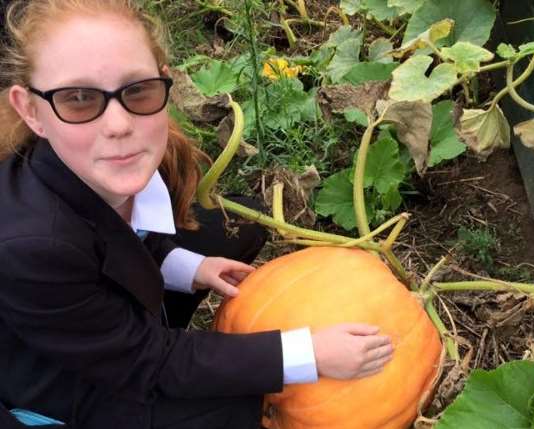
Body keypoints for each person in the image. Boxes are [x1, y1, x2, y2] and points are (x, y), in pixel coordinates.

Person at [0, 1, 393, 428]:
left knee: (235, 227)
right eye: (78, 99)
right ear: (32, 111)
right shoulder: (32, 245)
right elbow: (149, 361)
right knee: (237, 411)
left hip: (95, 310)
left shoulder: (134, 161)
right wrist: (308, 354)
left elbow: (131, 236)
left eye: (138, 90)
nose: (118, 124)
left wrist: (192, 267)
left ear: (164, 84)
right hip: (62, 382)